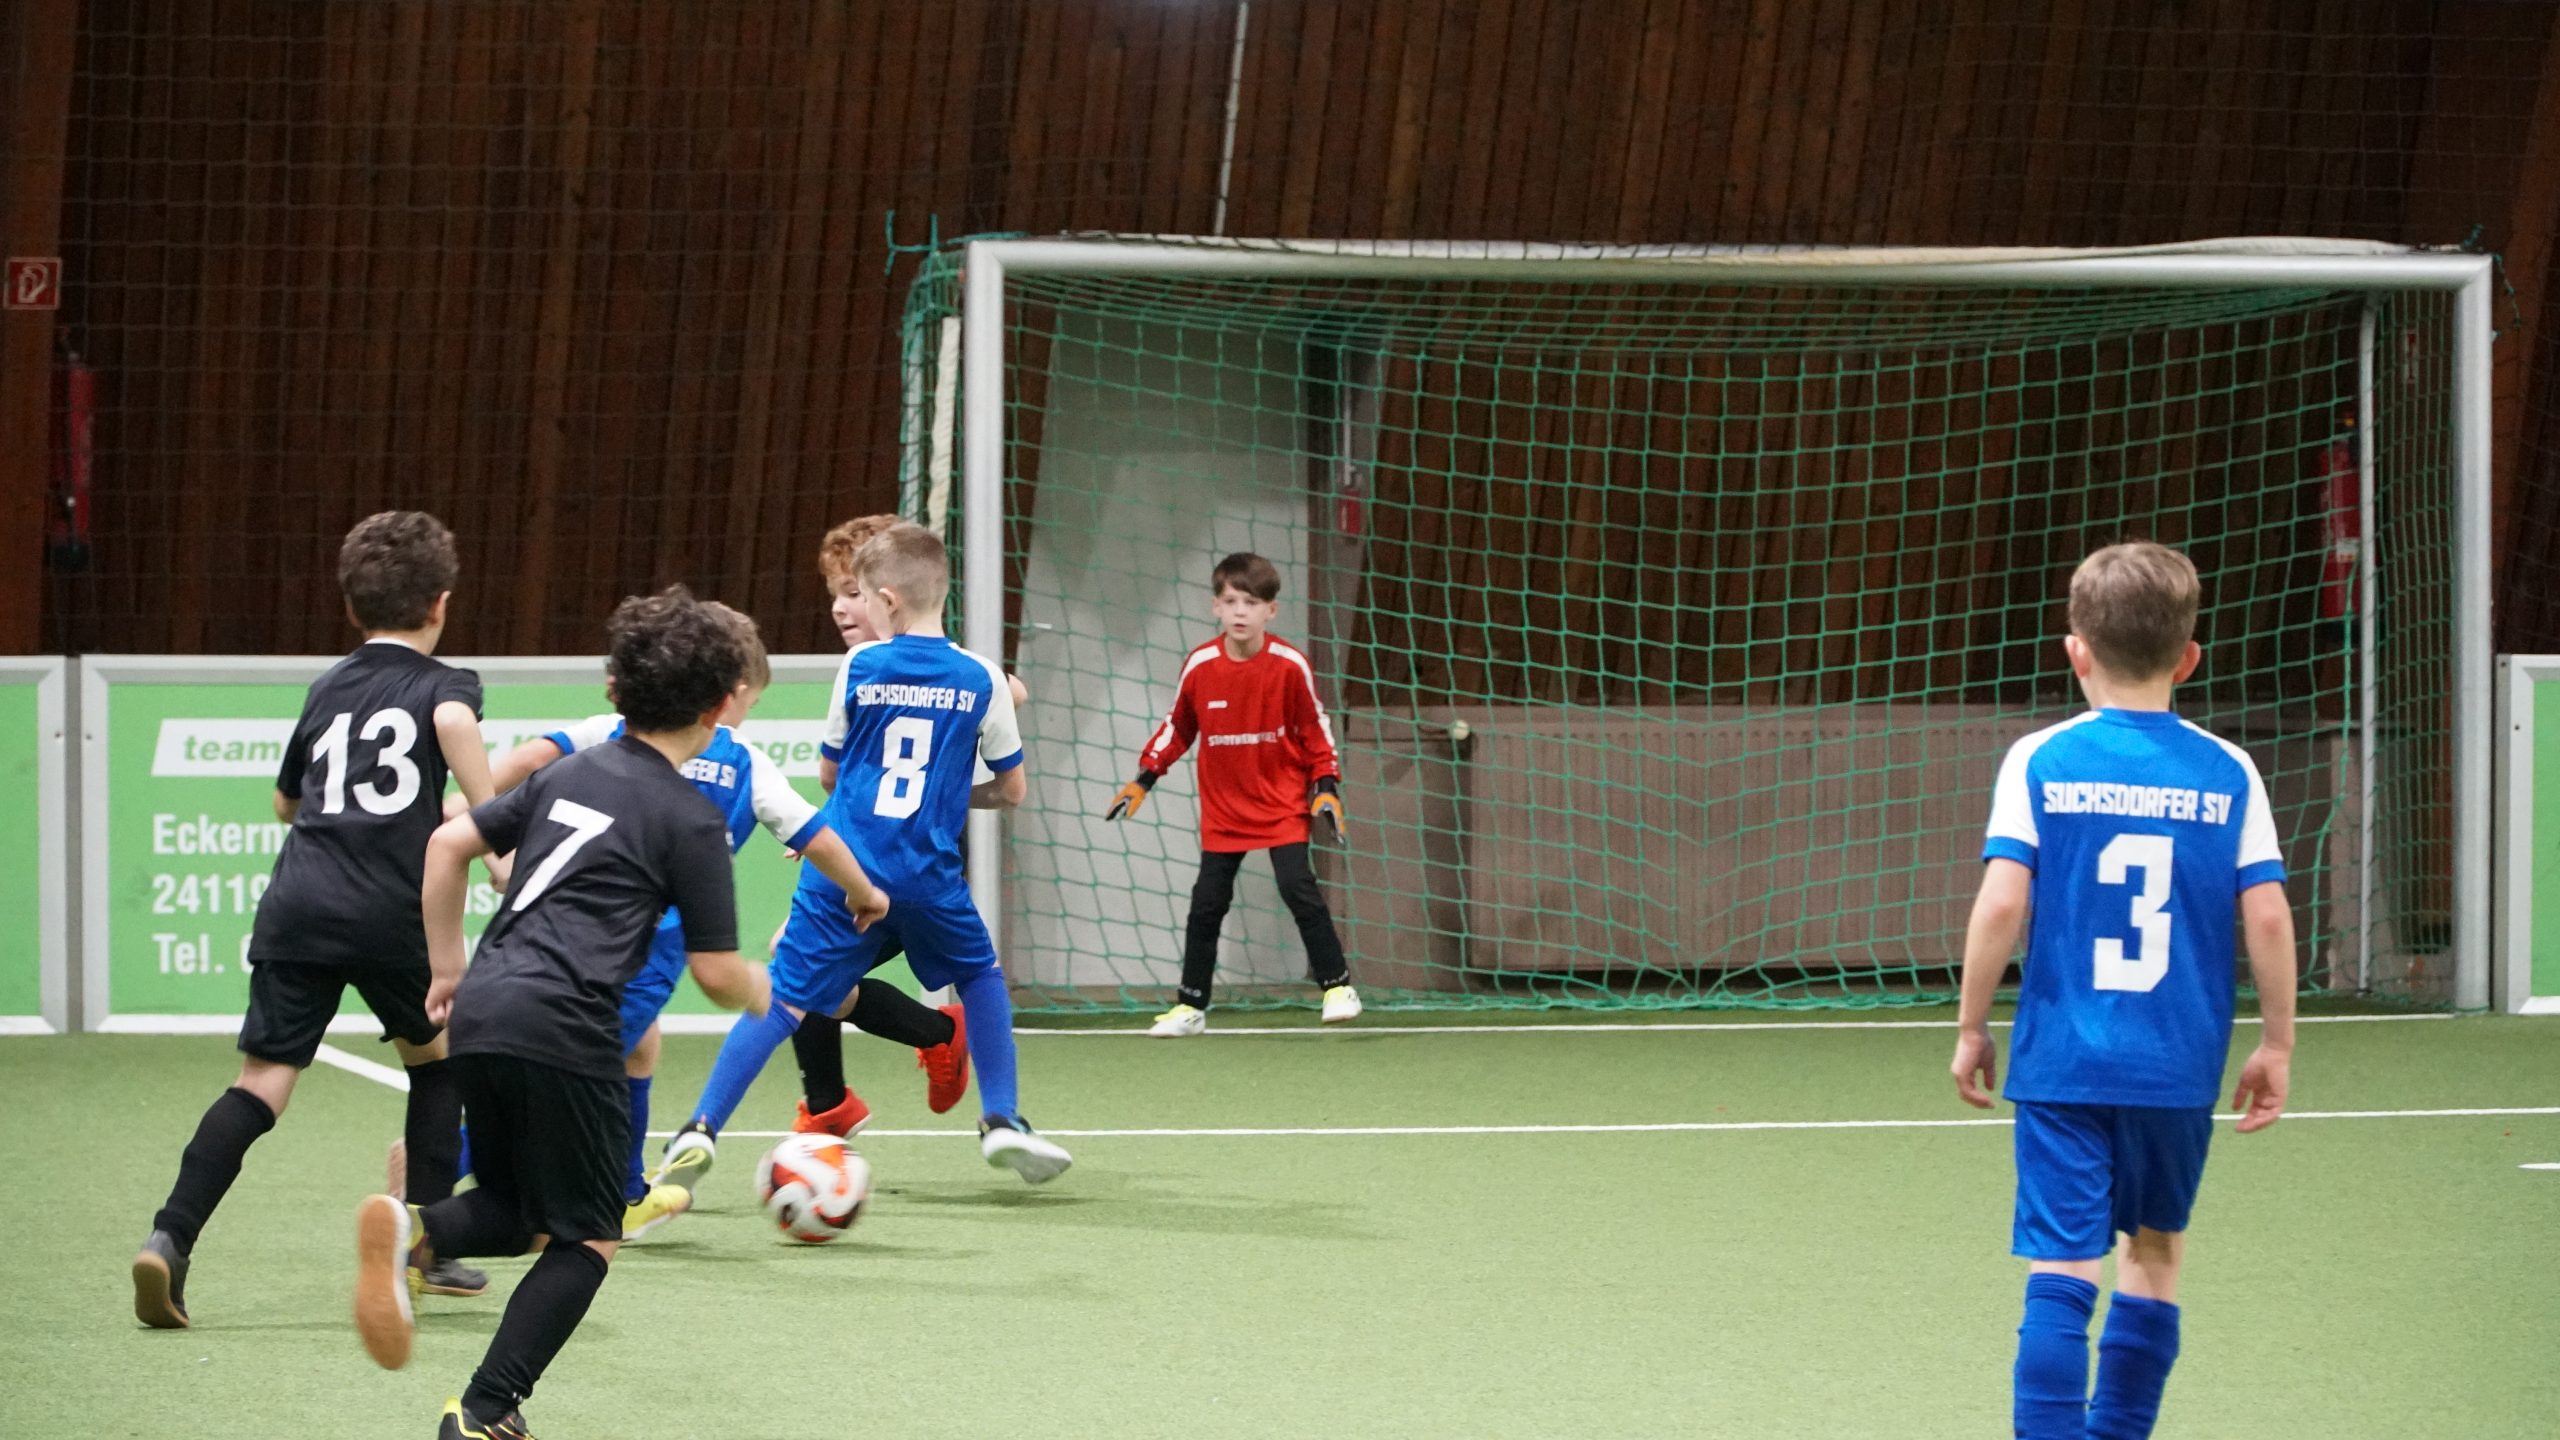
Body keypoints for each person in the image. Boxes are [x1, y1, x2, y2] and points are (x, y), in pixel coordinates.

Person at [351, 587, 858, 1440]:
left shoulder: (567, 772)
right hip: (569, 1024)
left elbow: (448, 843)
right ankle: (484, 1411)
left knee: (516, 1207)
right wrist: (764, 989)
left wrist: (446, 967)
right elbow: (715, 974)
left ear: (617, 689)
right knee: (590, 1237)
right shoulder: (692, 818)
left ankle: (416, 1227)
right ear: (719, 704)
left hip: (483, 1008)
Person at [1947, 541, 2299, 1440]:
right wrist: (2277, 1043)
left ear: (2077, 651)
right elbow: (2266, 917)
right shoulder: (2229, 771)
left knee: (2062, 1267)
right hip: (2176, 1065)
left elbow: (2002, 903)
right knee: (2155, 1252)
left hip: (2064, 1060)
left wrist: (1973, 1025)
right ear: (2188, 658)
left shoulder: (2040, 758)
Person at [131, 511, 498, 1329]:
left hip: (298, 904)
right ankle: (430, 1243)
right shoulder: (448, 686)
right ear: (440, 603)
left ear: (351, 607)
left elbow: (285, 803)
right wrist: (491, 831)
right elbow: (450, 730)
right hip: (392, 910)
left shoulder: (327, 687)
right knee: (439, 1065)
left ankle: (170, 1237)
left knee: (261, 1083)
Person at [661, 522, 1072, 1185]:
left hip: (847, 871)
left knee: (784, 998)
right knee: (980, 977)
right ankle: (1001, 1118)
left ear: (886, 599)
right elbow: (1012, 791)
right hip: (928, 875)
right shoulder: (981, 677)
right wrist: (945, 796)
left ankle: (700, 1129)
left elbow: (831, 774)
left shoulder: (859, 667)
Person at [485, 601, 901, 1239]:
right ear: (730, 696)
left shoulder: (608, 731)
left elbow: (523, 762)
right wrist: (864, 892)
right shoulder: (743, 763)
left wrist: (493, 843)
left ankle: (626, 1192)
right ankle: (433, 1181)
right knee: (549, 1094)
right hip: (632, 959)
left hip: (551, 941)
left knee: (640, 1047)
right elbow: (817, 836)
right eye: (750, 702)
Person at [1106, 551, 1361, 1036]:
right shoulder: (1201, 666)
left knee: (1298, 888)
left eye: (1251, 602)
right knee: (1207, 903)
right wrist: (1145, 778)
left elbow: (1316, 729)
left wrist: (1326, 785)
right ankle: (1190, 1007)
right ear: (1215, 607)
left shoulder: (1290, 666)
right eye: (1230, 601)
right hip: (1224, 811)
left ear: (1271, 610)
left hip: (1282, 803)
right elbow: (1178, 726)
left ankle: (1337, 986)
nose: (1240, 611)